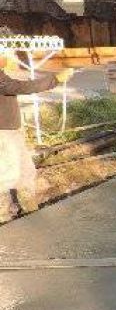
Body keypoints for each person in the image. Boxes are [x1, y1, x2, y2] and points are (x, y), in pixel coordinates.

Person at [1, 63, 74, 220]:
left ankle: (28, 209)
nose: (6, 56)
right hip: (4, 134)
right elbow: (18, 87)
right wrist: (55, 79)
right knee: (8, 176)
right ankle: (8, 217)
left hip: (11, 132)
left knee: (25, 172)